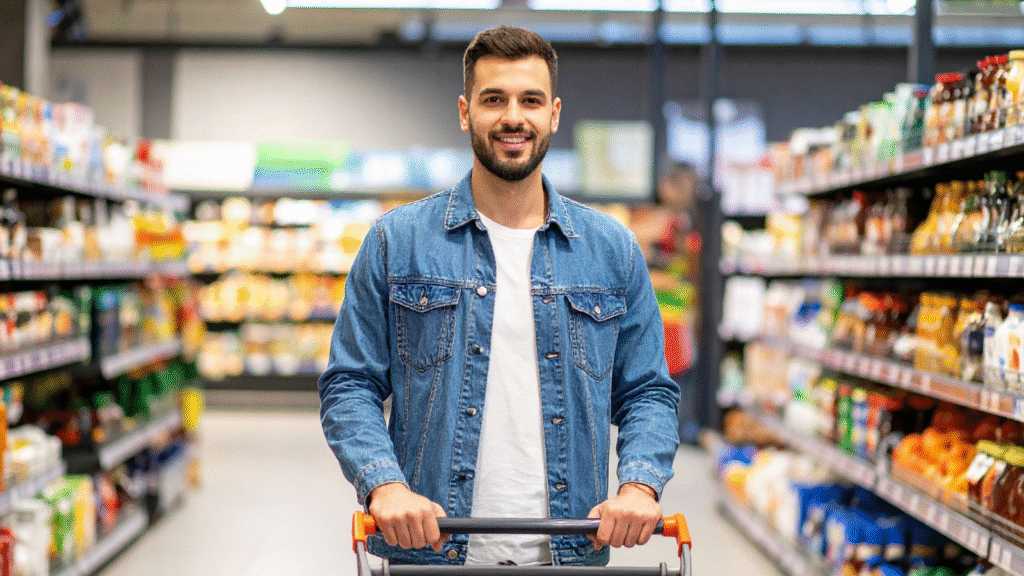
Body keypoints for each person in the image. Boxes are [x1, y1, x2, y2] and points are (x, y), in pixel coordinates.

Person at [318, 25, 680, 567]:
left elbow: (648, 391)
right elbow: (350, 384)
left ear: (554, 114)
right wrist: (383, 485)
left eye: (530, 100)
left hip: (568, 551)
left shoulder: (611, 250)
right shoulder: (397, 241)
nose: (513, 116)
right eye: (494, 99)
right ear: (465, 112)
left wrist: (640, 487)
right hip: (432, 551)